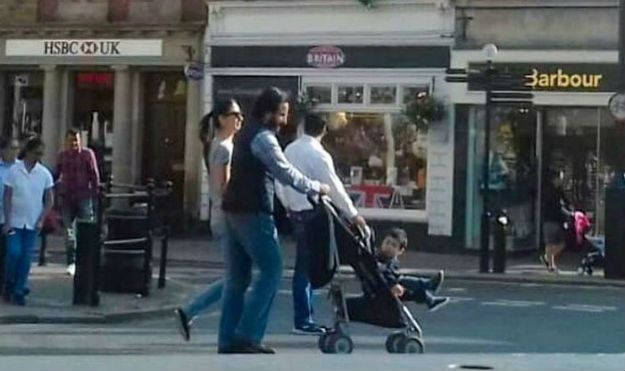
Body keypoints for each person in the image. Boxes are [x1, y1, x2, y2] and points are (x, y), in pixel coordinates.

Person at [218, 87, 330, 354]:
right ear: (268, 112)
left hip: (232, 210)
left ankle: (227, 339)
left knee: (238, 277)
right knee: (272, 270)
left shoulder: (246, 133)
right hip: (254, 210)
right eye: (281, 114)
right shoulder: (263, 138)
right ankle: (247, 336)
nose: (284, 120)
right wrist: (315, 187)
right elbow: (284, 172)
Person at [276, 113, 366, 335]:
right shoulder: (319, 154)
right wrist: (353, 214)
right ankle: (303, 320)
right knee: (311, 265)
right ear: (323, 132)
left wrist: (287, 203)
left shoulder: (289, 150)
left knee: (304, 264)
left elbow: (280, 180)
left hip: (294, 211)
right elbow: (333, 187)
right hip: (313, 213)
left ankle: (304, 315)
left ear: (303, 127)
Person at [174, 98, 243, 341]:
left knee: (238, 275)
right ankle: (193, 311)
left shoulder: (221, 145)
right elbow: (222, 186)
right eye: (235, 115)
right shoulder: (223, 148)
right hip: (227, 218)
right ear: (222, 119)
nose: (240, 120)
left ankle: (194, 312)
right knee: (238, 277)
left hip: (223, 216)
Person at [2, 138, 54, 305]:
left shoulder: (44, 173)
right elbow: (7, 196)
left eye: (41, 153)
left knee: (25, 257)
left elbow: (49, 199)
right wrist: (7, 220)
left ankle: (19, 289)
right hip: (15, 221)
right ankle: (9, 280)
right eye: (37, 153)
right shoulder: (14, 170)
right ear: (29, 152)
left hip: (32, 222)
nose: (39, 156)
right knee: (13, 253)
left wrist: (42, 218)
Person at [55, 129, 100, 276]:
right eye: (71, 140)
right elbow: (57, 174)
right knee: (69, 232)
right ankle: (71, 261)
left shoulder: (87, 154)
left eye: (76, 140)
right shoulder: (62, 156)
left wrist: (95, 194)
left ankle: (86, 260)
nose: (74, 143)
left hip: (84, 196)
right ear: (66, 141)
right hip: (67, 197)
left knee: (87, 228)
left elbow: (94, 175)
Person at [375, 228, 449, 311]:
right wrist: (393, 284)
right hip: (383, 289)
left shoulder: (394, 261)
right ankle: (428, 284)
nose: (389, 247)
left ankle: (430, 301)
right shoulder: (378, 258)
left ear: (400, 251)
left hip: (393, 288)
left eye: (393, 245)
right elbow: (384, 273)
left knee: (416, 291)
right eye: (387, 243)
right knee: (402, 280)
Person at [0, 138, 21, 295]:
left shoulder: (22, 168)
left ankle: (10, 284)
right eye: (11, 148)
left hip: (16, 219)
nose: (15, 151)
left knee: (13, 253)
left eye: (16, 148)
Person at [540, 171, 570, 273]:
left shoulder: (559, 190)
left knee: (562, 243)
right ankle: (551, 265)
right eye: (560, 178)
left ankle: (547, 258)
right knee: (550, 243)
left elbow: (565, 201)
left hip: (558, 220)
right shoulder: (549, 191)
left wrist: (569, 208)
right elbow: (555, 205)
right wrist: (565, 211)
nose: (562, 180)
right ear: (555, 179)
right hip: (549, 219)